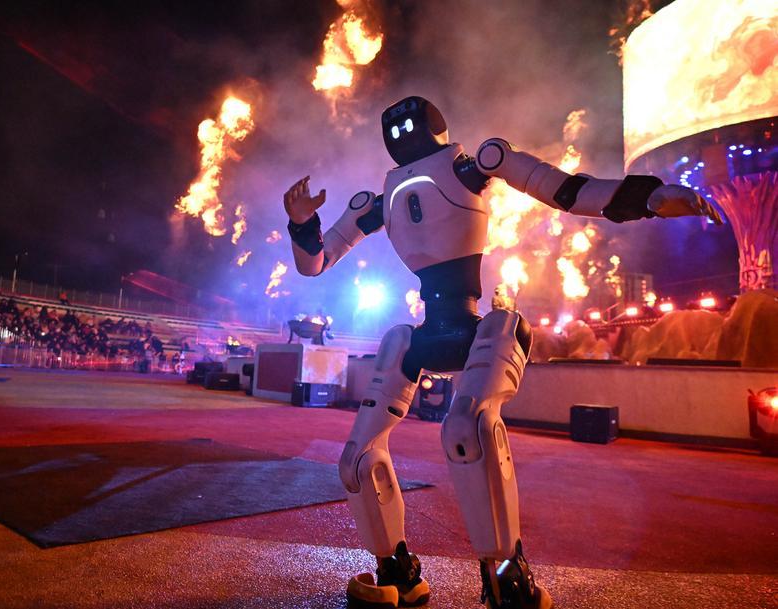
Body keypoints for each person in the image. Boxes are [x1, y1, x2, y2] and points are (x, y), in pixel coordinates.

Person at [283, 96, 721, 609]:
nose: (401, 130)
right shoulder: (380, 198)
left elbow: (567, 190)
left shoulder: (476, 164)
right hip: (426, 331)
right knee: (357, 459)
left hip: (483, 327)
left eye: (409, 122)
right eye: (393, 125)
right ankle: (396, 572)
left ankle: (508, 579)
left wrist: (649, 198)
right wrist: (300, 223)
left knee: (467, 427)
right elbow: (315, 262)